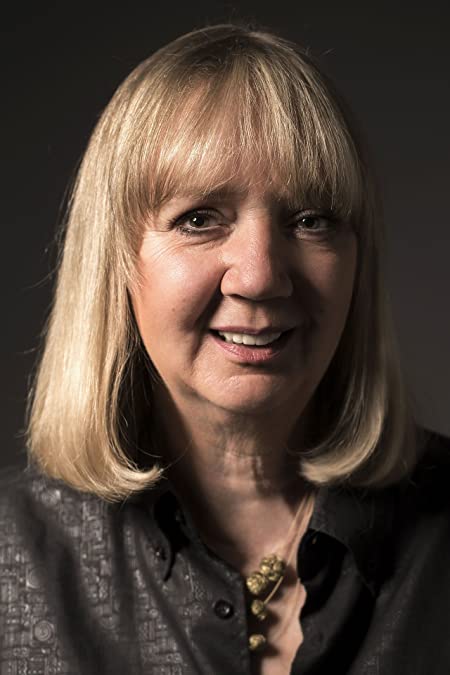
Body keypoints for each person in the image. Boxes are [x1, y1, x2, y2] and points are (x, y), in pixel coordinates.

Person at [1, 23, 449, 675]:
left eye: (310, 219)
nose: (260, 276)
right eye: (199, 219)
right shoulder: (11, 561)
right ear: (116, 264)